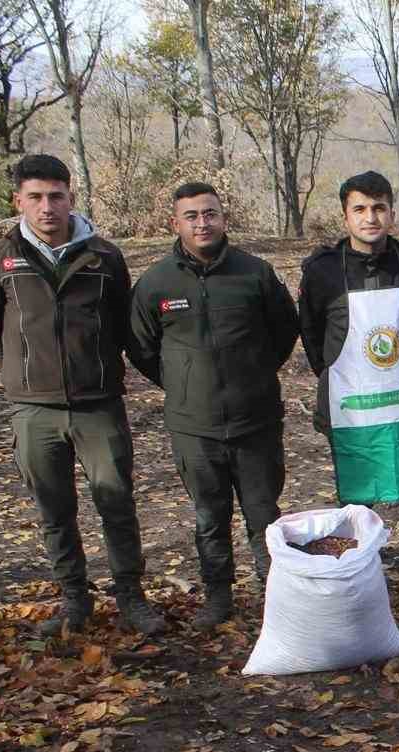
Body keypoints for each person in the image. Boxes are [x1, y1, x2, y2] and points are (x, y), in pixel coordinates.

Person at [0, 154, 166, 638]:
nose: (46, 207)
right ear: (19, 201)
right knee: (54, 509)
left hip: (98, 404)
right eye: (35, 197)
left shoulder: (104, 256)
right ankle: (75, 600)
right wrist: (19, 374)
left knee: (116, 502)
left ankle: (131, 600)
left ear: (70, 198)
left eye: (56, 196)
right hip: (34, 410)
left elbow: (122, 324)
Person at [131, 182, 300, 629]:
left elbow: (284, 331)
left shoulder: (255, 274)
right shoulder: (156, 283)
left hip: (256, 420)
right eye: (192, 216)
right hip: (194, 426)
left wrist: (256, 373)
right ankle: (218, 598)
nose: (202, 223)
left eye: (210, 213)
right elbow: (142, 347)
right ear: (176, 223)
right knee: (210, 516)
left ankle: (277, 595)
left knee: (264, 514)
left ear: (223, 218)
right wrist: (183, 385)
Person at [299, 171, 399, 612]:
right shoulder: (322, 271)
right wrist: (339, 380)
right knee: (356, 498)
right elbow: (312, 335)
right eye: (360, 209)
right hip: (351, 406)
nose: (370, 218)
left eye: (379, 208)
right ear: (345, 214)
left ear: (392, 211)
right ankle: (356, 580)